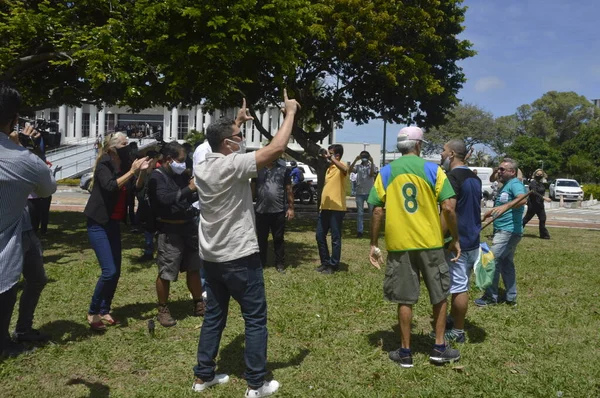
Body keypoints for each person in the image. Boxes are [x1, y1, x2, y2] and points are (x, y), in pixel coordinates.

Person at [192, 93, 300, 397]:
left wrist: (236, 122)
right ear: (228, 144)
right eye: (240, 136)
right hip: (239, 256)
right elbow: (277, 148)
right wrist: (289, 112)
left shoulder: (202, 165)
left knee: (214, 316)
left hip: (211, 257)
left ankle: (203, 377)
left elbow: (220, 142)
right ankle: (256, 384)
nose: (243, 140)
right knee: (255, 318)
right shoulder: (233, 167)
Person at [368, 126, 461, 368]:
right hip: (431, 243)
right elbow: (449, 208)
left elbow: (377, 209)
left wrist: (373, 242)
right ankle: (440, 348)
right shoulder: (433, 170)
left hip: (400, 247)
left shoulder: (386, 172)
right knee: (439, 296)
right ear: (418, 145)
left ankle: (405, 352)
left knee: (404, 299)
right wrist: (456, 238)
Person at [0, 85, 56, 357]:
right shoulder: (24, 159)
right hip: (10, 229)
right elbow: (47, 189)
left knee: (36, 278)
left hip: (22, 225)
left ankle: (22, 328)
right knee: (7, 284)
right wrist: (28, 148)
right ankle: (4, 342)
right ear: (13, 119)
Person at [84, 132, 149, 331]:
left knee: (116, 271)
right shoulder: (105, 162)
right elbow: (110, 186)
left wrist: (142, 171)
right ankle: (93, 311)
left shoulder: (125, 161)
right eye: (123, 143)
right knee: (109, 270)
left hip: (113, 223)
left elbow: (135, 189)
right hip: (98, 222)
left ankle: (105, 309)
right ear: (113, 147)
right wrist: (132, 171)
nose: (127, 145)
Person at [148, 141, 204, 327]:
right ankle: (163, 308)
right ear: (169, 159)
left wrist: (198, 190)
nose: (184, 164)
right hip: (169, 231)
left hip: (188, 228)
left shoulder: (180, 175)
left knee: (193, 267)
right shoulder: (157, 177)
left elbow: (187, 196)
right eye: (181, 160)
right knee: (166, 271)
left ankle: (198, 303)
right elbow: (165, 199)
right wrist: (190, 188)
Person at [437, 140, 482, 343]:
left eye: (444, 151)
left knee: (458, 287)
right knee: (459, 283)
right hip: (473, 239)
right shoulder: (475, 177)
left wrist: (438, 238)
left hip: (459, 242)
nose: (441, 154)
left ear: (452, 154)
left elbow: (448, 210)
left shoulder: (452, 177)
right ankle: (453, 319)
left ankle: (458, 331)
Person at [476, 158, 526, 307]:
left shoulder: (515, 184)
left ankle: (490, 297)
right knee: (506, 263)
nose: (499, 171)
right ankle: (511, 297)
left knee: (490, 260)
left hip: (508, 231)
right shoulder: (506, 185)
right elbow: (502, 205)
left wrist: (506, 207)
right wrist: (490, 212)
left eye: (502, 169)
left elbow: (522, 199)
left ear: (512, 172)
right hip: (504, 230)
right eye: (498, 169)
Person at [253, 158, 294, 273]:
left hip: (278, 211)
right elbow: (253, 187)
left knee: (278, 238)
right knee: (261, 239)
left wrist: (291, 208)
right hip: (261, 211)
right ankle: (261, 262)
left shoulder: (283, 171)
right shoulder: (258, 170)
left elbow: (289, 189)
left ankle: (279, 263)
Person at [315, 144, 348, 274]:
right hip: (325, 208)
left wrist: (332, 158)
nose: (327, 155)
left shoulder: (341, 167)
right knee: (319, 235)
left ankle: (334, 265)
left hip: (337, 208)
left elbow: (345, 168)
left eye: (331, 153)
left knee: (335, 237)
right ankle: (325, 262)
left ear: (337, 155)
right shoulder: (329, 169)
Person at [349, 151, 375, 238]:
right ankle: (360, 231)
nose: (364, 158)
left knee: (371, 213)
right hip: (359, 192)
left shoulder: (371, 166)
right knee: (360, 213)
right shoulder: (358, 167)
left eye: (365, 156)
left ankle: (372, 231)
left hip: (369, 192)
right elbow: (349, 170)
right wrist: (355, 160)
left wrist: (372, 161)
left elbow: (372, 174)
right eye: (362, 156)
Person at [522, 169, 551, 239]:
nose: (539, 176)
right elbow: (533, 192)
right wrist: (544, 197)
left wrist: (543, 198)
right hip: (533, 204)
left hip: (540, 204)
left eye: (541, 175)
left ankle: (544, 235)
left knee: (543, 219)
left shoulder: (541, 184)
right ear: (535, 175)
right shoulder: (533, 183)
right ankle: (516, 231)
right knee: (526, 219)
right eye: (538, 174)